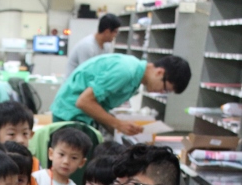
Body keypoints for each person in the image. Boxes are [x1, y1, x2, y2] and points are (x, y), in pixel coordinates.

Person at [51, 54, 191, 136]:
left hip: (80, 117)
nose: (162, 93)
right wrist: (118, 124)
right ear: (159, 72)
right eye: (165, 89)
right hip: (69, 116)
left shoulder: (135, 79)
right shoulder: (126, 72)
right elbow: (84, 102)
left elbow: (99, 105)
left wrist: (118, 129)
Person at [65, 13, 121, 78]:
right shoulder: (87, 46)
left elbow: (104, 68)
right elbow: (86, 74)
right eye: (115, 32)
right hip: (75, 84)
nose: (116, 35)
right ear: (107, 32)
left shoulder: (106, 46)